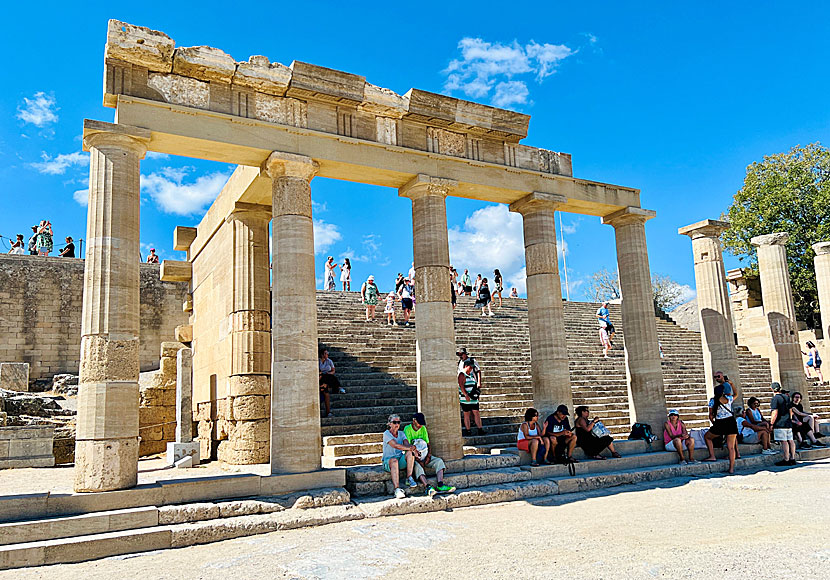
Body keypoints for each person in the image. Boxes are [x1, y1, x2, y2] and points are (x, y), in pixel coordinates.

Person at [403, 412, 457, 497]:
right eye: (419, 423)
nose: (420, 425)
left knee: (439, 461)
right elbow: (408, 447)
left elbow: (428, 444)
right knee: (417, 467)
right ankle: (428, 487)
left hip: (425, 454)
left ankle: (440, 484)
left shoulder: (423, 428)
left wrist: (428, 456)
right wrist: (418, 460)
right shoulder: (407, 429)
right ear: (414, 421)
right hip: (414, 457)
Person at [703, 384, 738, 473]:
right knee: (731, 448)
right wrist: (732, 384)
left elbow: (710, 416)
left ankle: (712, 456)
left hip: (720, 422)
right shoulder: (728, 398)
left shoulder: (713, 401)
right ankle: (731, 469)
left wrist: (714, 424)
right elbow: (736, 394)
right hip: (731, 422)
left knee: (707, 437)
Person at [381, 414, 417, 499]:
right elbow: (396, 445)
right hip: (388, 461)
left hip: (399, 460)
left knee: (409, 453)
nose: (397, 424)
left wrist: (411, 448)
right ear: (389, 424)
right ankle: (396, 489)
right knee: (394, 461)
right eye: (394, 422)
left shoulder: (401, 433)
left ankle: (409, 477)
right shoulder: (386, 434)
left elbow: (406, 443)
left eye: (398, 422)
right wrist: (410, 448)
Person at [769, 382, 796, 467]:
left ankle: (786, 459)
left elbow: (775, 412)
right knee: (790, 440)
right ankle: (793, 458)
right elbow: (791, 410)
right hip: (788, 422)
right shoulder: (786, 397)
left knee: (784, 441)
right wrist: (790, 419)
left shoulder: (775, 399)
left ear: (772, 389)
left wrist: (771, 423)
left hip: (780, 423)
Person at [458, 358, 485, 436]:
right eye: (470, 367)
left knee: (476, 412)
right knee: (467, 414)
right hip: (465, 398)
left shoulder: (471, 374)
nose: (472, 368)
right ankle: (468, 430)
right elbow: (461, 385)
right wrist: (466, 395)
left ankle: (480, 429)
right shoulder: (462, 374)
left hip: (473, 398)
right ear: (466, 366)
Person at [318, 348, 345, 418]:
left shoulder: (329, 361)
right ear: (322, 354)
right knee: (325, 393)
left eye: (327, 353)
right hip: (320, 378)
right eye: (326, 353)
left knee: (331, 377)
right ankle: (337, 388)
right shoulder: (318, 361)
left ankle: (337, 387)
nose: (327, 354)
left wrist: (329, 372)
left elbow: (333, 370)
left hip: (327, 376)